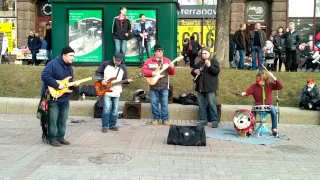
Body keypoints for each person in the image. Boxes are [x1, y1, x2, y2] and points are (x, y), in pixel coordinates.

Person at [41, 46, 79, 147]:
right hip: (53, 97)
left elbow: (68, 81)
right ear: (64, 55)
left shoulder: (70, 67)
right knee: (53, 119)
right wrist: (57, 85)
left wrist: (73, 84)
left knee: (63, 118)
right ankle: (52, 138)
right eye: (71, 55)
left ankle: (60, 137)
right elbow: (44, 76)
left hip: (64, 97)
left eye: (73, 56)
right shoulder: (53, 64)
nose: (72, 58)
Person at [95, 53, 132, 133]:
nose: (117, 62)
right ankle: (104, 126)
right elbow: (98, 73)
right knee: (107, 108)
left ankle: (112, 125)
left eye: (119, 61)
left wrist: (127, 81)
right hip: (106, 90)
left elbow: (125, 79)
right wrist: (102, 80)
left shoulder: (123, 67)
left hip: (117, 91)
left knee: (115, 109)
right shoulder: (105, 64)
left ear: (122, 60)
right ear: (113, 58)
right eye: (116, 60)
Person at [240, 70, 283, 136]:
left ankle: (274, 129)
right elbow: (248, 91)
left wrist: (274, 78)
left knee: (274, 111)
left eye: (261, 80)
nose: (259, 82)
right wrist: (244, 93)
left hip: (269, 106)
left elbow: (280, 86)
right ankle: (251, 128)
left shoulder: (270, 85)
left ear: (265, 79)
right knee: (252, 112)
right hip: (258, 105)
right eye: (258, 80)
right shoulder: (254, 86)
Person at [141, 45, 176, 126]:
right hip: (153, 85)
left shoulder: (167, 61)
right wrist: (152, 73)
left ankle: (165, 119)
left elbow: (172, 73)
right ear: (155, 52)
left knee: (164, 103)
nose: (160, 52)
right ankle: (156, 119)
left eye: (161, 51)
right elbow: (143, 70)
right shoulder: (149, 61)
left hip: (164, 86)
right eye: (158, 51)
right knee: (154, 103)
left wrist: (172, 67)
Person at [191, 46, 220, 128]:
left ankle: (215, 121)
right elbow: (193, 70)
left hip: (210, 87)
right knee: (201, 104)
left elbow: (216, 71)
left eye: (205, 53)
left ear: (209, 54)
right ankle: (203, 120)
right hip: (200, 87)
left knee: (212, 104)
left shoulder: (214, 61)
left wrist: (209, 66)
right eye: (202, 53)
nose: (203, 55)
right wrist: (194, 71)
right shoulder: (200, 63)